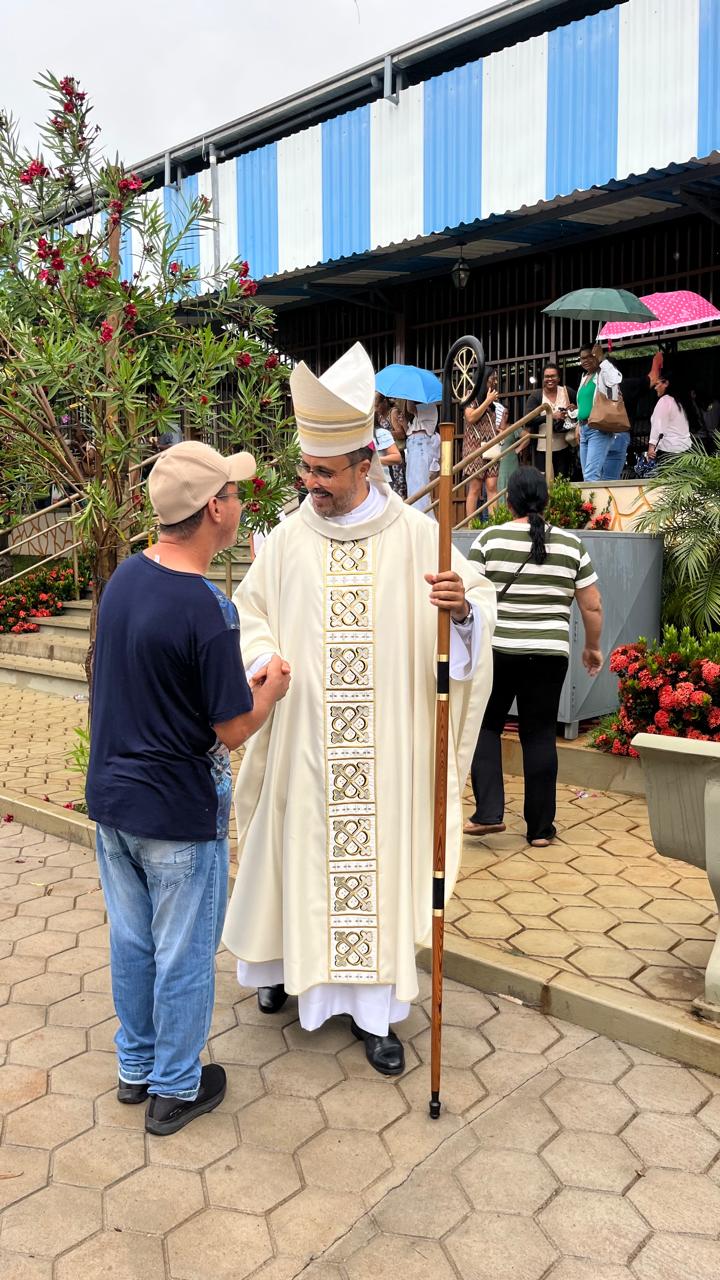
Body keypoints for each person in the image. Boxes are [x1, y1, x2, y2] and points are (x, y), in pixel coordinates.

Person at [222, 343, 497, 1076]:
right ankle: (285, 967)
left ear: (366, 464)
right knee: (297, 857)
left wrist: (462, 611)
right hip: (305, 745)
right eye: (306, 469)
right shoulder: (287, 540)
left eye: (324, 472)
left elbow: (475, 608)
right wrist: (262, 659)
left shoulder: (419, 538)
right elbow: (249, 612)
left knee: (374, 876)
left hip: (384, 759)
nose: (310, 483)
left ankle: (375, 1015)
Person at [86, 441, 291, 1136]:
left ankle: (136, 1066)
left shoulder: (125, 578)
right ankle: (175, 1086)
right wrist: (270, 693)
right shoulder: (208, 607)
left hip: (115, 800)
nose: (239, 503)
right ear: (213, 511)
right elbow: (231, 728)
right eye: (233, 494)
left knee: (132, 941)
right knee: (182, 951)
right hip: (175, 805)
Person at [465, 467, 603, 847]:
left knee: (485, 727)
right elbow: (592, 606)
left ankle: (489, 812)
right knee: (539, 734)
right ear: (546, 500)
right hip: (549, 653)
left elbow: (470, 597)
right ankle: (540, 831)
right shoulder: (572, 545)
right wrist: (592, 647)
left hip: (498, 650)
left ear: (508, 501)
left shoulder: (489, 539)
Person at [576, 344, 627, 482]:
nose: (585, 360)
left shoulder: (602, 373)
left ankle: (592, 499)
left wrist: (602, 358)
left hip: (598, 429)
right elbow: (586, 405)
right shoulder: (584, 377)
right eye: (582, 358)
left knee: (591, 475)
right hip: (584, 429)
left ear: (595, 356)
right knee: (587, 476)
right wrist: (574, 414)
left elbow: (616, 379)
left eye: (589, 356)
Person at [463, 368, 502, 519]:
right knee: (475, 487)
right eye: (492, 378)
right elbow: (470, 417)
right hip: (474, 446)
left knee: (492, 485)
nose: (495, 382)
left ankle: (494, 522)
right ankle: (471, 524)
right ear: (483, 378)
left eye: (496, 378)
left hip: (490, 445)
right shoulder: (470, 395)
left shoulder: (491, 399)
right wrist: (487, 401)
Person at [524, 364, 575, 479]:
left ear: (559, 378)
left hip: (564, 446)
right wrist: (551, 416)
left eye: (553, 376)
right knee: (544, 481)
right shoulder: (536, 396)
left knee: (562, 481)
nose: (550, 379)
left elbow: (581, 408)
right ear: (543, 379)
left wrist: (574, 409)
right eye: (547, 376)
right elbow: (528, 420)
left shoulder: (567, 392)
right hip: (542, 448)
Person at [649, 371, 692, 464]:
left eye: (657, 384)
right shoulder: (682, 402)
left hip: (668, 449)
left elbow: (657, 425)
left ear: (666, 383)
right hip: (685, 449)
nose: (655, 388)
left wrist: (651, 447)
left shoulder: (665, 401)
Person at [404, 399, 439, 512]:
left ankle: (422, 514)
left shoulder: (430, 406)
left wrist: (407, 395)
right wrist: (403, 422)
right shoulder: (416, 417)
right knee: (412, 484)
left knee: (420, 483)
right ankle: (416, 513)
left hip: (421, 446)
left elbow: (410, 408)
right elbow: (409, 431)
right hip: (413, 446)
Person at [375, 393, 406, 496]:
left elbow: (401, 433)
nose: (377, 409)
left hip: (396, 452)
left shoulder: (393, 412)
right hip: (385, 455)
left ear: (384, 402)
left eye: (377, 405)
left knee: (399, 484)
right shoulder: (379, 416)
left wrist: (384, 434)